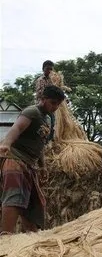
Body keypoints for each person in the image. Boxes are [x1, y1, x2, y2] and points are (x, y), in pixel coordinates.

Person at [0, 86, 66, 235]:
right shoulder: (32, 112)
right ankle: (5, 238)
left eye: (57, 104)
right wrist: (6, 144)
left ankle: (32, 237)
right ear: (43, 99)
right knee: (14, 197)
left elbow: (39, 145)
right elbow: (16, 128)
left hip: (29, 164)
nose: (55, 107)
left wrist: (42, 166)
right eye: (52, 102)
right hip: (15, 159)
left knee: (33, 204)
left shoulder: (47, 119)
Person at [35, 60, 56, 141]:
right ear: (43, 69)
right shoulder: (40, 80)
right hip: (42, 107)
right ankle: (41, 141)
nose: (50, 71)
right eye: (48, 69)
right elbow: (40, 94)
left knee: (52, 125)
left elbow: (57, 91)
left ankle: (49, 142)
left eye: (51, 69)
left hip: (51, 107)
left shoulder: (52, 81)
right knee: (42, 125)